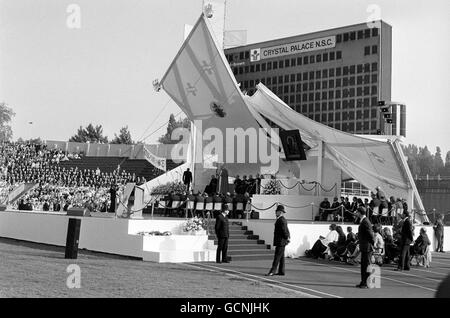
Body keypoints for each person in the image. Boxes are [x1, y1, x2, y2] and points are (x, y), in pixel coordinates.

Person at [266, 205, 290, 276]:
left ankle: (272, 271)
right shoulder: (281, 219)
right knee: (281, 257)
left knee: (277, 257)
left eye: (276, 212)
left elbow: (285, 231)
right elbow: (286, 231)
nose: (275, 213)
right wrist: (287, 238)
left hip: (281, 241)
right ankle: (281, 271)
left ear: (280, 212)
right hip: (281, 241)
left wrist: (286, 238)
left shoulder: (281, 220)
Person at [355, 206, 374, 288]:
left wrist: (372, 243)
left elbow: (370, 234)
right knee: (363, 265)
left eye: (357, 212)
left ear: (359, 212)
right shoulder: (363, 220)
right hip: (364, 246)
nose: (356, 213)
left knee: (366, 265)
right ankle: (363, 282)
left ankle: (367, 283)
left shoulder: (365, 221)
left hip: (367, 246)